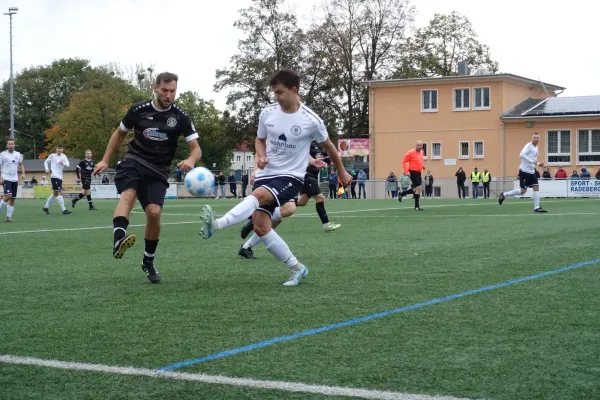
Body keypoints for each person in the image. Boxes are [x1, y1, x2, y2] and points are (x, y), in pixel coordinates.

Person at [199, 68, 351, 286]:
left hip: (291, 177)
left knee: (260, 196)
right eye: (274, 93)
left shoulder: (311, 120)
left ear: (294, 90)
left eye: (280, 93)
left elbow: (330, 148)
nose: (276, 97)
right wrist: (260, 156)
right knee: (261, 227)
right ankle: (297, 267)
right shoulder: (267, 113)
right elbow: (259, 139)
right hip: (266, 173)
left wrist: (342, 170)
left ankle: (217, 224)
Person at [92, 72, 201, 283]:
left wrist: (191, 160)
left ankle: (148, 260)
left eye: (173, 91)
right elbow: (119, 134)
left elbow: (196, 149)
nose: (169, 95)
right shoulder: (138, 109)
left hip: (159, 170)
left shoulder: (181, 117)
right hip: (134, 161)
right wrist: (105, 160)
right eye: (165, 90)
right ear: (156, 88)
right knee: (128, 194)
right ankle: (118, 239)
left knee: (154, 212)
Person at [238, 143, 341, 259]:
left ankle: (247, 246)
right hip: (278, 177)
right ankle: (252, 221)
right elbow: (260, 148)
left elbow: (305, 153)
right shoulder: (278, 131)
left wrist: (320, 161)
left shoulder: (306, 137)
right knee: (291, 208)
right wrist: (255, 170)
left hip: (287, 176)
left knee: (280, 217)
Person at [498, 132, 547, 212]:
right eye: (535, 138)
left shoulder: (536, 148)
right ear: (532, 138)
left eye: (537, 138)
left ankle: (537, 207)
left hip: (532, 172)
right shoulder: (529, 146)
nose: (536, 139)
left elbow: (533, 160)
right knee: (522, 191)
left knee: (536, 187)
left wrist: (538, 164)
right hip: (524, 172)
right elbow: (521, 155)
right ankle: (504, 195)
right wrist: (532, 161)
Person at [0, 138, 26, 222]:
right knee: (8, 195)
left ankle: (8, 217)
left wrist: (23, 173)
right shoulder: (3, 154)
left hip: (14, 179)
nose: (10, 145)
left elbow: (21, 164)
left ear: (14, 145)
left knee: (13, 198)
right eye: (9, 144)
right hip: (6, 178)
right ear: (7, 145)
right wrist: (0, 178)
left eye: (12, 144)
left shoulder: (18, 154)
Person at [42, 144, 72, 215]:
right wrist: (46, 169)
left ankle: (46, 207)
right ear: (56, 149)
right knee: (60, 192)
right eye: (58, 148)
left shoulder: (63, 156)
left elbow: (68, 164)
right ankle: (64, 210)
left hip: (60, 177)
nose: (59, 150)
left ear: (62, 149)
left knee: (55, 193)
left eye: (61, 148)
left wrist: (63, 163)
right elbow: (45, 161)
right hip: (54, 176)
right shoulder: (52, 156)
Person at [398, 140, 425, 211]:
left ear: (422, 146)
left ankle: (402, 193)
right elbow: (404, 162)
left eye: (420, 145)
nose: (419, 146)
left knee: (415, 189)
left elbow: (421, 160)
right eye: (418, 145)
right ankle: (416, 206)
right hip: (412, 172)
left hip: (418, 172)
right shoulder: (410, 153)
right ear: (415, 145)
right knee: (419, 188)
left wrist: (422, 165)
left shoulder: (422, 151)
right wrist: (407, 172)